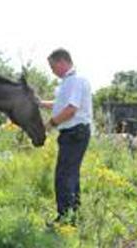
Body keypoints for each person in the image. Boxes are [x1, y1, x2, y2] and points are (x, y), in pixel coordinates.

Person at [41, 48, 92, 225]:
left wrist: (50, 124)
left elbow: (71, 110)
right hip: (73, 134)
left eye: (53, 66)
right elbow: (61, 104)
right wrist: (40, 103)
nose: (52, 71)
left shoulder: (75, 81)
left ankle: (64, 218)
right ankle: (74, 213)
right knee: (71, 174)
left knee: (63, 176)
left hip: (75, 133)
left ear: (62, 62)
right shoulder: (68, 82)